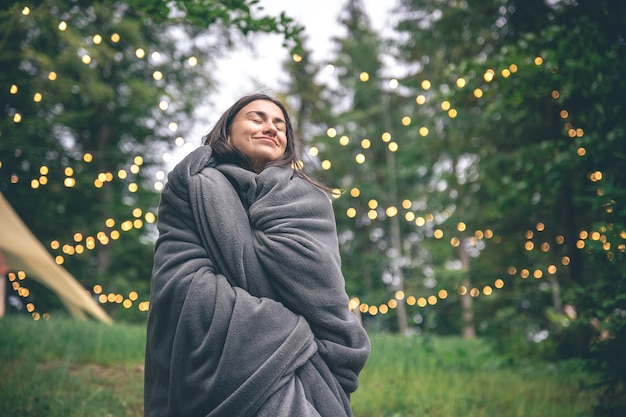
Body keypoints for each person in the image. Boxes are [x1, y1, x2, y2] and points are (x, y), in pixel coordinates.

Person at [144, 93, 371, 417]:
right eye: (257, 118)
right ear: (227, 131)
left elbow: (325, 289)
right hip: (226, 348)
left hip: (314, 350)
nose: (271, 127)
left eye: (280, 124)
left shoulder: (308, 199)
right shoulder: (193, 186)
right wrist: (275, 325)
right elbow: (178, 276)